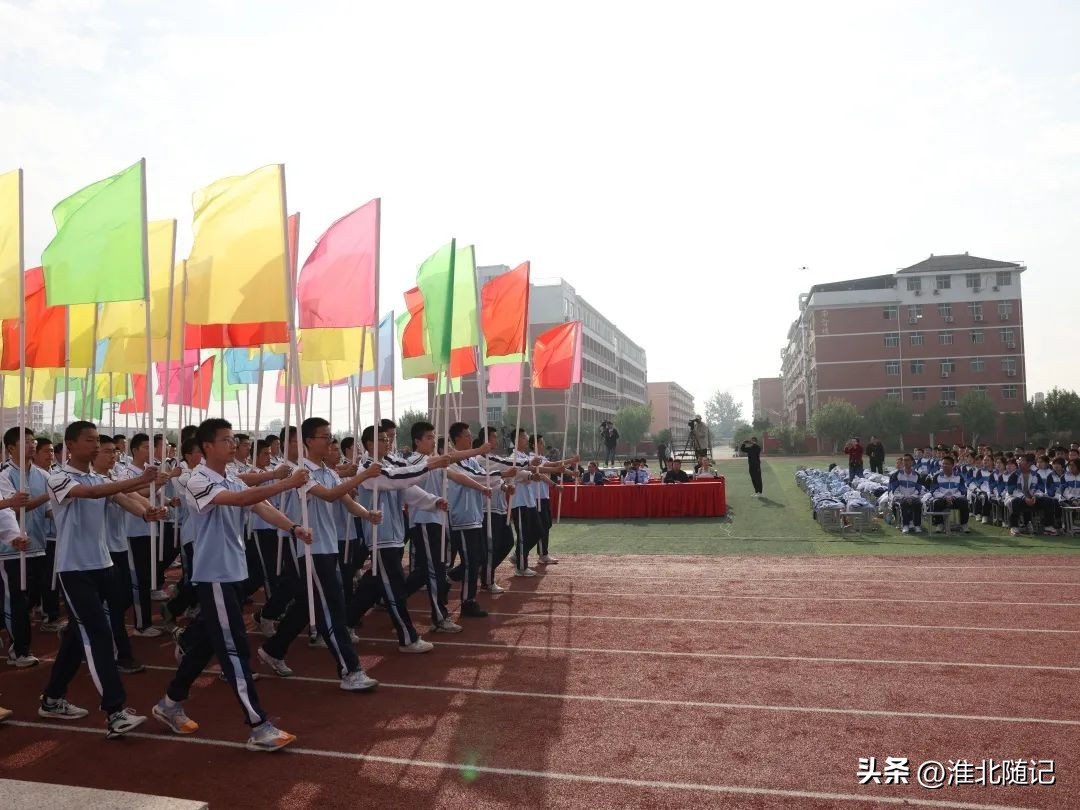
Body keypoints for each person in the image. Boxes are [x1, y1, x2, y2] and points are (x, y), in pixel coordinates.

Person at [154, 418, 314, 751]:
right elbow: (241, 501)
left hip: (232, 572)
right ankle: (259, 725)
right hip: (214, 574)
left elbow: (260, 506)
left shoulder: (229, 476)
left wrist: (293, 527)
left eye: (232, 439)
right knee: (234, 649)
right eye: (226, 440)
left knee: (207, 646)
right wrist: (286, 483)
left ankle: (170, 703)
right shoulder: (197, 479)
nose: (233, 444)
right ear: (207, 447)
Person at [39, 421, 164, 737]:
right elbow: (94, 493)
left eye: (98, 440)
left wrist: (145, 512)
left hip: (103, 564)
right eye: (90, 440)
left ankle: (52, 698)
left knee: (78, 636)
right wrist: (138, 480)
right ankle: (115, 710)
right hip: (74, 569)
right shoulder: (59, 478)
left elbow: (121, 498)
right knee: (98, 635)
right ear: (70, 444)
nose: (96, 446)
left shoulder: (100, 477)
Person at [257, 417, 383, 687]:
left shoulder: (329, 470)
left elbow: (347, 501)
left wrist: (367, 514)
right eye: (324, 436)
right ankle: (350, 671)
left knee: (308, 605)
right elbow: (329, 495)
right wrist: (362, 475)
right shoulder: (301, 473)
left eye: (330, 435)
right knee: (332, 607)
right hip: (310, 549)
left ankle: (274, 649)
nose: (329, 440)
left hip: (328, 547)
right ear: (308, 441)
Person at [1, 427, 51, 667]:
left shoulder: (43, 475)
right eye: (26, 442)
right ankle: (19, 650)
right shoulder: (4, 474)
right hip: (11, 550)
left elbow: (48, 510)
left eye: (33, 441)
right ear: (11, 448)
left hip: (38, 545)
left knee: (32, 596)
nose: (32, 445)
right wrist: (49, 497)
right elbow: (18, 507)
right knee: (16, 600)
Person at [928, 455, 971, 533]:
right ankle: (940, 524)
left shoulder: (959, 477)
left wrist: (953, 497)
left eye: (947, 464)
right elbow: (934, 491)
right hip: (942, 499)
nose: (944, 466)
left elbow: (963, 491)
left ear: (952, 465)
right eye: (943, 464)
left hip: (955, 499)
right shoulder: (937, 477)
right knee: (936, 503)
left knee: (964, 501)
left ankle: (964, 524)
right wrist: (944, 497)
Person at [889, 454, 924, 533]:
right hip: (900, 498)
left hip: (913, 498)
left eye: (907, 460)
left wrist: (911, 497)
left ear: (912, 462)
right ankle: (905, 525)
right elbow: (894, 490)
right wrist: (904, 497)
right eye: (904, 460)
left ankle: (917, 525)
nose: (905, 462)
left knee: (918, 503)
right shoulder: (896, 475)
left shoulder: (917, 475)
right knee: (904, 503)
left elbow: (918, 490)